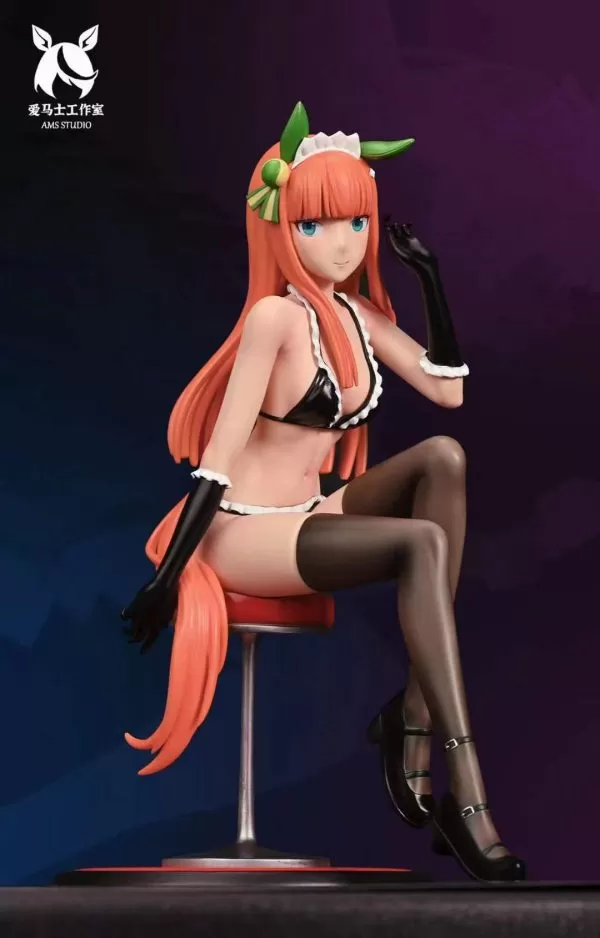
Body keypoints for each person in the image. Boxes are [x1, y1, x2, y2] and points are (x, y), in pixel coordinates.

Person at [121, 102, 525, 883]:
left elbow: (448, 394)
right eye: (315, 225)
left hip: (307, 514)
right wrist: (165, 578)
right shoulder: (273, 320)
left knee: (443, 458)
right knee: (421, 542)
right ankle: (466, 790)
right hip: (243, 530)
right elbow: (216, 464)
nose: (341, 243)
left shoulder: (356, 315)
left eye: (355, 223)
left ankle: (411, 714)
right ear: (282, 229)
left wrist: (429, 278)